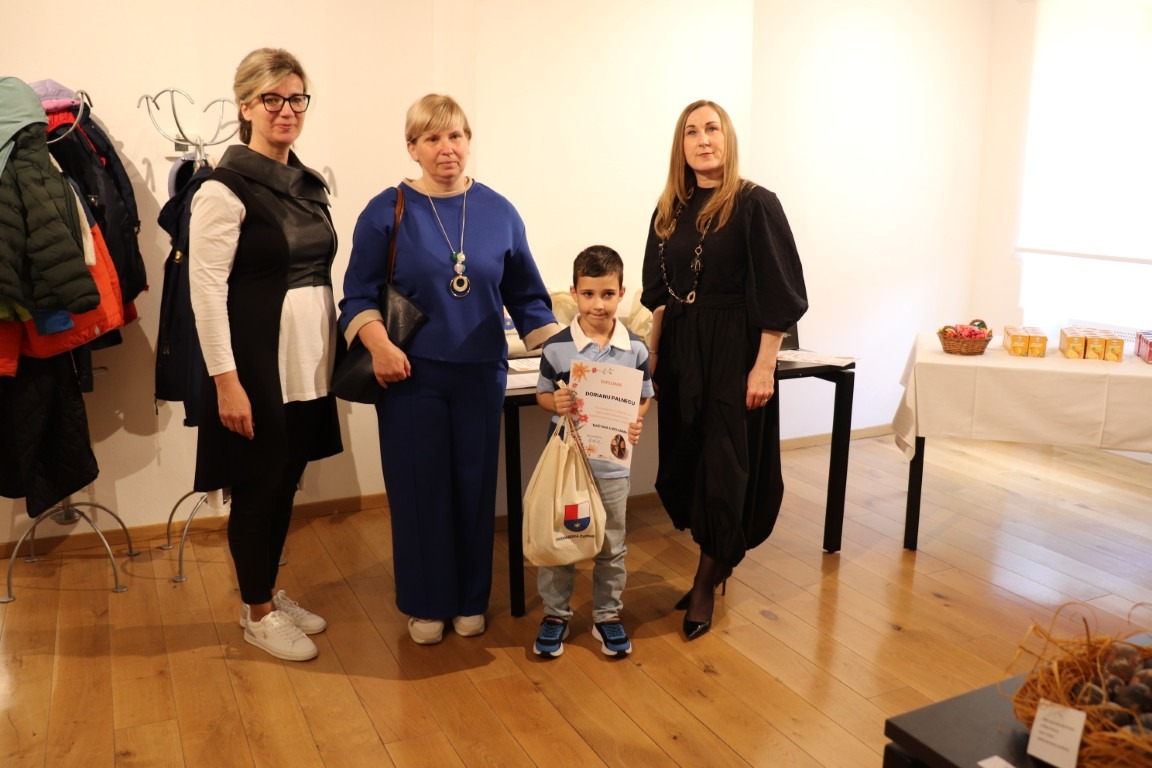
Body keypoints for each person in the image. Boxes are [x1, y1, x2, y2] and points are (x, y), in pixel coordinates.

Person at [339, 94, 560, 646]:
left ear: (468, 141)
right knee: (421, 490)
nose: (447, 148)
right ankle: (425, 602)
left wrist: (568, 357)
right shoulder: (385, 210)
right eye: (433, 138)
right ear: (412, 147)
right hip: (408, 376)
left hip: (481, 374)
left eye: (456, 135)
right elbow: (357, 295)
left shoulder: (499, 212)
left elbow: (528, 299)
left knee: (474, 487)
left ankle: (469, 599)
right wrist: (379, 346)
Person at [189, 48, 341, 662]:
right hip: (257, 369)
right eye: (272, 99)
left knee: (285, 484)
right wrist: (227, 382)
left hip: (308, 363)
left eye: (296, 98)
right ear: (245, 105)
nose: (286, 110)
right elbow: (205, 293)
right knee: (257, 487)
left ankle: (267, 593)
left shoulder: (308, 184)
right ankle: (255, 613)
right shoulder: (222, 190)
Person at [640, 100, 808, 641]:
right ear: (681, 145)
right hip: (682, 348)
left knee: (724, 465)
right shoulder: (669, 208)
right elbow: (659, 293)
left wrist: (764, 367)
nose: (703, 139)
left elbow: (779, 293)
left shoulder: (756, 203)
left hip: (735, 349)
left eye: (712, 128)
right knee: (687, 460)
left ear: (728, 138)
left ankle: (704, 583)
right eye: (691, 131)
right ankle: (715, 562)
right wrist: (655, 353)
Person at [533, 245, 653, 658]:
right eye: (588, 294)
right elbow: (542, 395)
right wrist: (554, 402)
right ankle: (555, 614)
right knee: (561, 539)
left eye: (607, 294)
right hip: (567, 465)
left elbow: (643, 396)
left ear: (621, 293)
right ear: (574, 293)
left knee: (612, 544)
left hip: (613, 466)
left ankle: (607, 614)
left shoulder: (636, 348)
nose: (598, 304)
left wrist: (635, 419)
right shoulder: (556, 348)